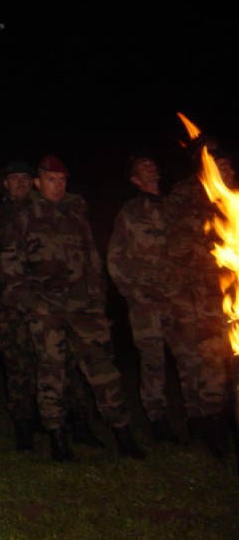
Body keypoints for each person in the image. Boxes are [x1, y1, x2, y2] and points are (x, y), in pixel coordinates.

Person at [0, 155, 145, 462]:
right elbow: (10, 269)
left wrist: (98, 300)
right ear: (38, 183)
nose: (58, 185)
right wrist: (32, 304)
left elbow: (93, 260)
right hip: (47, 308)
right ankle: (57, 438)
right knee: (51, 372)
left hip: (85, 308)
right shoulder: (24, 217)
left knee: (104, 371)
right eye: (51, 180)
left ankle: (123, 434)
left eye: (62, 180)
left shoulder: (76, 213)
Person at [0, 161, 102, 451]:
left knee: (66, 364)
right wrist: (2, 300)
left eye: (25, 177)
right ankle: (25, 427)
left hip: (54, 306)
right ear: (5, 185)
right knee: (20, 367)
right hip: (12, 309)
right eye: (14, 178)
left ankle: (77, 423)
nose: (20, 183)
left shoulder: (53, 211)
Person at [107, 154, 203, 445]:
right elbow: (115, 258)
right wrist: (134, 293)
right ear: (135, 180)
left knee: (191, 358)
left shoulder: (176, 207)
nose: (150, 167)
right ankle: (158, 420)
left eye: (152, 163)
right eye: (142, 167)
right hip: (146, 302)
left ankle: (198, 417)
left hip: (179, 298)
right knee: (153, 362)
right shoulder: (130, 212)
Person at [166, 140, 235, 456]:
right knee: (211, 363)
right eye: (219, 167)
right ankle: (214, 433)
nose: (226, 172)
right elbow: (176, 249)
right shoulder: (192, 204)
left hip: (235, 294)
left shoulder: (234, 202)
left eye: (228, 166)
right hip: (207, 298)